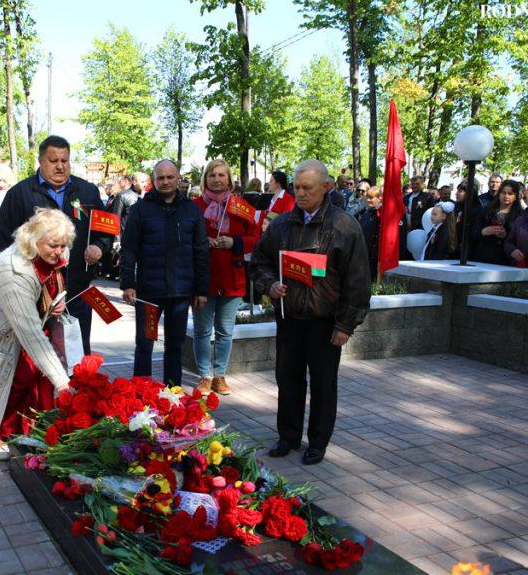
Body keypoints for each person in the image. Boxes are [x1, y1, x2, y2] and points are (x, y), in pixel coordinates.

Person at [251, 159, 371, 466]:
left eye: (308, 188)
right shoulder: (281, 224)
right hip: (289, 318)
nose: (301, 194)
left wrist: (345, 324)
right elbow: (258, 263)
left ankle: (317, 442)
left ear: (326, 187)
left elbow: (357, 282)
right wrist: (270, 285)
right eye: (296, 187)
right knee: (288, 380)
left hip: (324, 321)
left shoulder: (345, 226)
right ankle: (287, 437)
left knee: (323, 384)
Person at [0, 135, 112, 354]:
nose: (60, 166)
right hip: (35, 296)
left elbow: (106, 231)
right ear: (40, 161)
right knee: (36, 360)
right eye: (53, 161)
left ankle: (75, 388)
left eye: (64, 161)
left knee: (77, 358)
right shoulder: (20, 194)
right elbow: (0, 240)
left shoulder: (87, 191)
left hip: (77, 291)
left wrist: (100, 247)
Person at [0, 209, 73, 461]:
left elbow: (55, 279)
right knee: (9, 381)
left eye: (63, 245)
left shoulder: (52, 251)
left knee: (35, 379)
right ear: (33, 241)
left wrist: (60, 300)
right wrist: (64, 383)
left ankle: (31, 430)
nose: (59, 251)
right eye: (53, 246)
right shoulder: (11, 271)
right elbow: (32, 337)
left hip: (33, 318)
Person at [120, 159, 209, 387]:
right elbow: (129, 249)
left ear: (178, 178)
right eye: (161, 178)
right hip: (149, 292)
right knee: (145, 344)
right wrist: (127, 283)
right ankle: (140, 395)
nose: (166, 181)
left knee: (175, 346)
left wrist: (201, 289)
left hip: (180, 293)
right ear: (154, 180)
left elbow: (200, 251)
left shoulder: (191, 210)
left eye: (170, 177)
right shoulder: (140, 209)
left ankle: (173, 395)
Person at [190, 159, 258, 395]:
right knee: (202, 330)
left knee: (225, 330)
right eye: (212, 175)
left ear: (229, 179)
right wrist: (200, 243)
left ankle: (220, 374)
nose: (217, 180)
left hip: (231, 276)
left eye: (221, 175)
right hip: (203, 277)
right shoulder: (194, 206)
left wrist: (234, 242)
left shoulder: (240, 207)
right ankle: (204, 375)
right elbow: (184, 237)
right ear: (205, 179)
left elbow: (255, 238)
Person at [472, 179, 524, 265]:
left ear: (515, 197)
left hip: (506, 260)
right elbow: (473, 233)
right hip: (484, 258)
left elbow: (521, 240)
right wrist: (483, 232)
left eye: (510, 194)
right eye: (503, 193)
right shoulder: (487, 211)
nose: (506, 196)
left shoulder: (520, 215)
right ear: (499, 194)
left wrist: (505, 236)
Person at [355, 186, 382, 280]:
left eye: (371, 197)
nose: (369, 200)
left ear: (380, 198)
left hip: (376, 255)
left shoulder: (382, 215)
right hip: (365, 253)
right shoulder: (365, 213)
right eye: (368, 197)